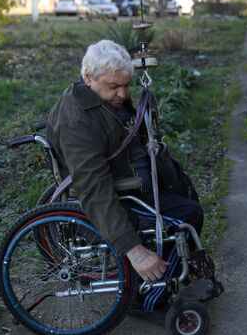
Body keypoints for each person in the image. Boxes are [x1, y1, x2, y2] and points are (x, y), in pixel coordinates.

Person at [46, 40, 203, 296]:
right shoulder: (75, 122)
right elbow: (94, 188)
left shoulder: (108, 101)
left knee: (186, 199)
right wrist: (134, 249)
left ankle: (169, 274)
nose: (123, 94)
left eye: (126, 85)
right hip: (120, 196)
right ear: (88, 77)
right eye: (114, 86)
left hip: (136, 182)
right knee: (187, 216)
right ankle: (149, 297)